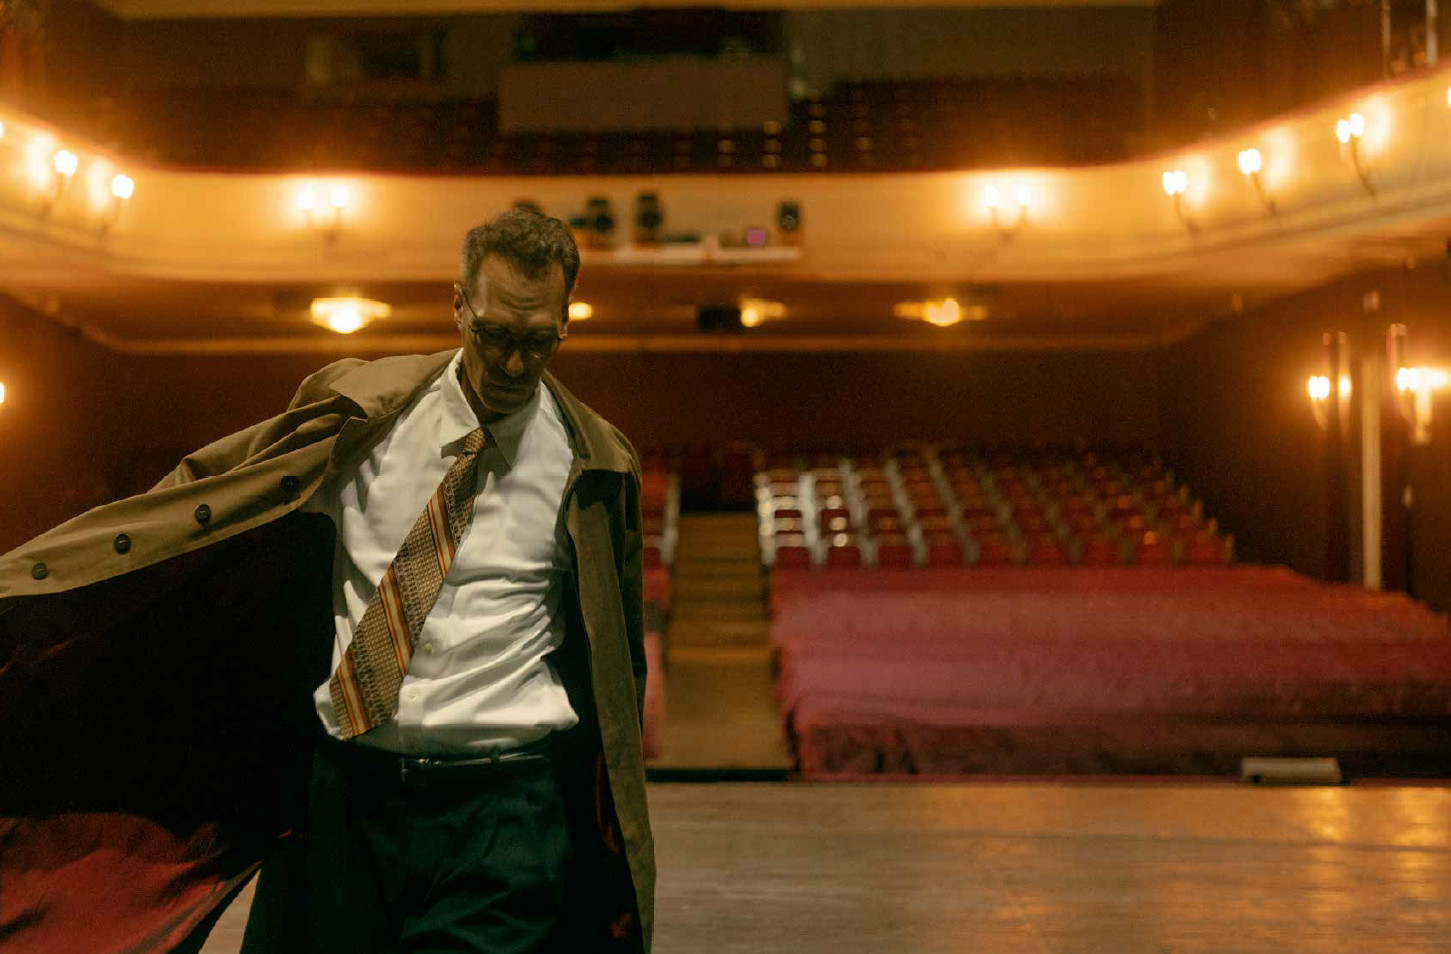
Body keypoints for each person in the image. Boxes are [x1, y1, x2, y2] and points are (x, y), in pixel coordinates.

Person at [0, 209, 655, 953]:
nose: (511, 364)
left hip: (503, 809)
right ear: (458, 307)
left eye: (536, 342)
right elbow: (196, 513)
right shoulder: (359, 416)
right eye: (494, 334)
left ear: (565, 322)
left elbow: (615, 662)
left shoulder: (594, 465)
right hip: (347, 800)